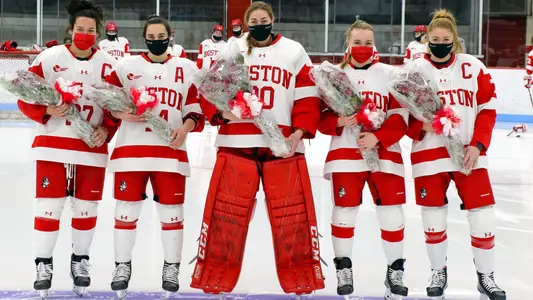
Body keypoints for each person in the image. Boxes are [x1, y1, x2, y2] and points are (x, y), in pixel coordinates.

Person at [190, 1, 325, 296]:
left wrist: (299, 133)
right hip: (237, 141)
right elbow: (210, 87)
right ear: (247, 23)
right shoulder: (233, 48)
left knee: (292, 216)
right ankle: (217, 278)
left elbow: (307, 95)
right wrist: (220, 114)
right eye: (254, 20)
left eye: (264, 19)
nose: (259, 23)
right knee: (227, 215)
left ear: (272, 20)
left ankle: (301, 278)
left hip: (283, 145)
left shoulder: (293, 50)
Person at [16, 0, 117, 297]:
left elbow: (115, 106)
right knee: (49, 206)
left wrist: (106, 129)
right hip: (52, 145)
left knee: (86, 208)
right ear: (70, 30)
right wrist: (46, 111)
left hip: (90, 148)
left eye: (90, 29)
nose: (84, 34)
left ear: (97, 33)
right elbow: (24, 96)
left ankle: (80, 261)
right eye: (79, 29)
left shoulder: (109, 65)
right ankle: (43, 264)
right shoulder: (49, 57)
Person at [406, 9, 506, 300]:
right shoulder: (414, 71)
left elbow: (487, 110)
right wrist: (419, 125)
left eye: (445, 39)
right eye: (434, 39)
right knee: (432, 217)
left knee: (483, 217)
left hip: (469, 155)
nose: (440, 44)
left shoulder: (473, 67)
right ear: (426, 40)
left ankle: (486, 276)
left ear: (455, 40)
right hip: (428, 154)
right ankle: (438, 272)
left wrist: (478, 145)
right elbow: (401, 114)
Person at [104, 14, 204, 298]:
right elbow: (108, 103)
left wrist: (185, 129)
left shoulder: (186, 68)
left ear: (170, 37)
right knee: (126, 212)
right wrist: (122, 113)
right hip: (130, 151)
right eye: (152, 37)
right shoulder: (125, 66)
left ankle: (171, 268)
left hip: (170, 153)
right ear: (144, 38)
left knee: (172, 214)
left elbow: (195, 111)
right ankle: (121, 267)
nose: (157, 41)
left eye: (162, 37)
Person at [319, 20, 409, 299]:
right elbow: (320, 118)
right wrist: (338, 119)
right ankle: (343, 269)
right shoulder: (333, 75)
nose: (362, 48)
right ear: (348, 44)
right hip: (345, 155)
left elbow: (400, 116)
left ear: (374, 45)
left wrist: (379, 138)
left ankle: (395, 270)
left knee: (392, 214)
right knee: (344, 213)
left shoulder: (391, 74)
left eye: (367, 43)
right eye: (357, 42)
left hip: (385, 155)